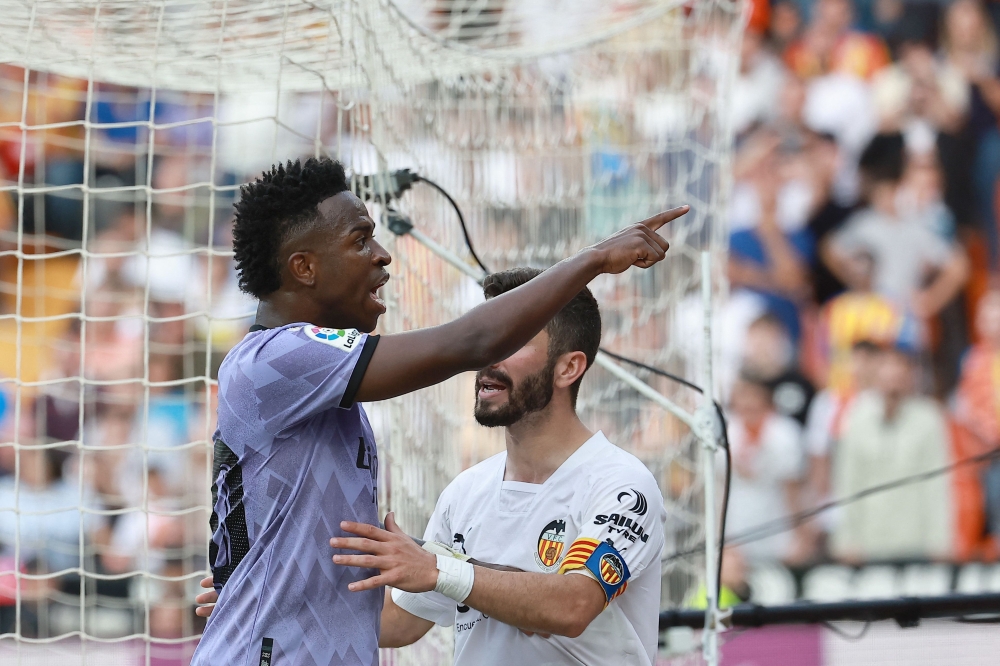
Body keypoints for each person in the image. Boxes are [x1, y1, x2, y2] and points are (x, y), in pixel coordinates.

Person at [189, 157, 686, 666]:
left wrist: (276, 587)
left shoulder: (620, 484)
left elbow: (548, 602)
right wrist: (595, 259)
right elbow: (473, 340)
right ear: (304, 267)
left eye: (517, 341)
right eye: (360, 241)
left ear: (570, 367)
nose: (382, 255)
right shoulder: (279, 360)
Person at [831, 344, 952, 561]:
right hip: (869, 542)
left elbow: (938, 484)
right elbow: (848, 481)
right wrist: (847, 540)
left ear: (911, 376)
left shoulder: (929, 418)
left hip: (916, 541)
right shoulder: (856, 417)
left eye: (900, 368)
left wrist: (940, 541)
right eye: (887, 368)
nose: (893, 376)